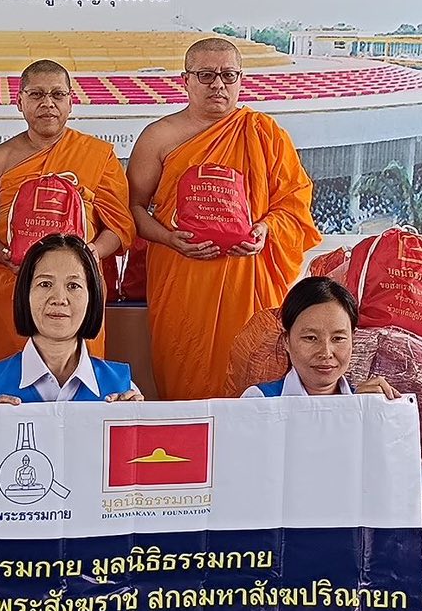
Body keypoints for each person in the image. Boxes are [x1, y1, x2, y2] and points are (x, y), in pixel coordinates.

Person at [242, 274, 422, 611]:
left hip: (359, 582)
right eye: (309, 338)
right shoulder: (258, 403)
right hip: (279, 583)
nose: (326, 352)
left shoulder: (380, 411)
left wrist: (417, 596)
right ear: (285, 340)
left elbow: (401, 519)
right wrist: (345, 415)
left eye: (339, 338)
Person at [128, 36, 318, 402]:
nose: (218, 84)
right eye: (206, 75)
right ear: (185, 80)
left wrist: (266, 229)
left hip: (248, 283)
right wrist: (169, 238)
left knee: (255, 378)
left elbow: (293, 204)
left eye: (228, 75)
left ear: (241, 79)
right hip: (183, 281)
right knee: (188, 382)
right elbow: (132, 209)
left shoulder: (264, 134)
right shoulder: (159, 137)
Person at [0, 59, 134, 362]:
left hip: (78, 284)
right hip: (14, 285)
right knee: (16, 373)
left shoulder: (98, 156)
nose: (48, 104)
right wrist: (9, 258)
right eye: (36, 95)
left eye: (57, 95)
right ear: (19, 102)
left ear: (72, 102)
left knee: (81, 372)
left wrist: (91, 254)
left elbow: (120, 228)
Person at [0, 233, 144, 404]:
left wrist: (133, 427)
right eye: (45, 284)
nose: (59, 299)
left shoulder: (123, 389)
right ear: (25, 294)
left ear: (92, 297)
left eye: (73, 285)